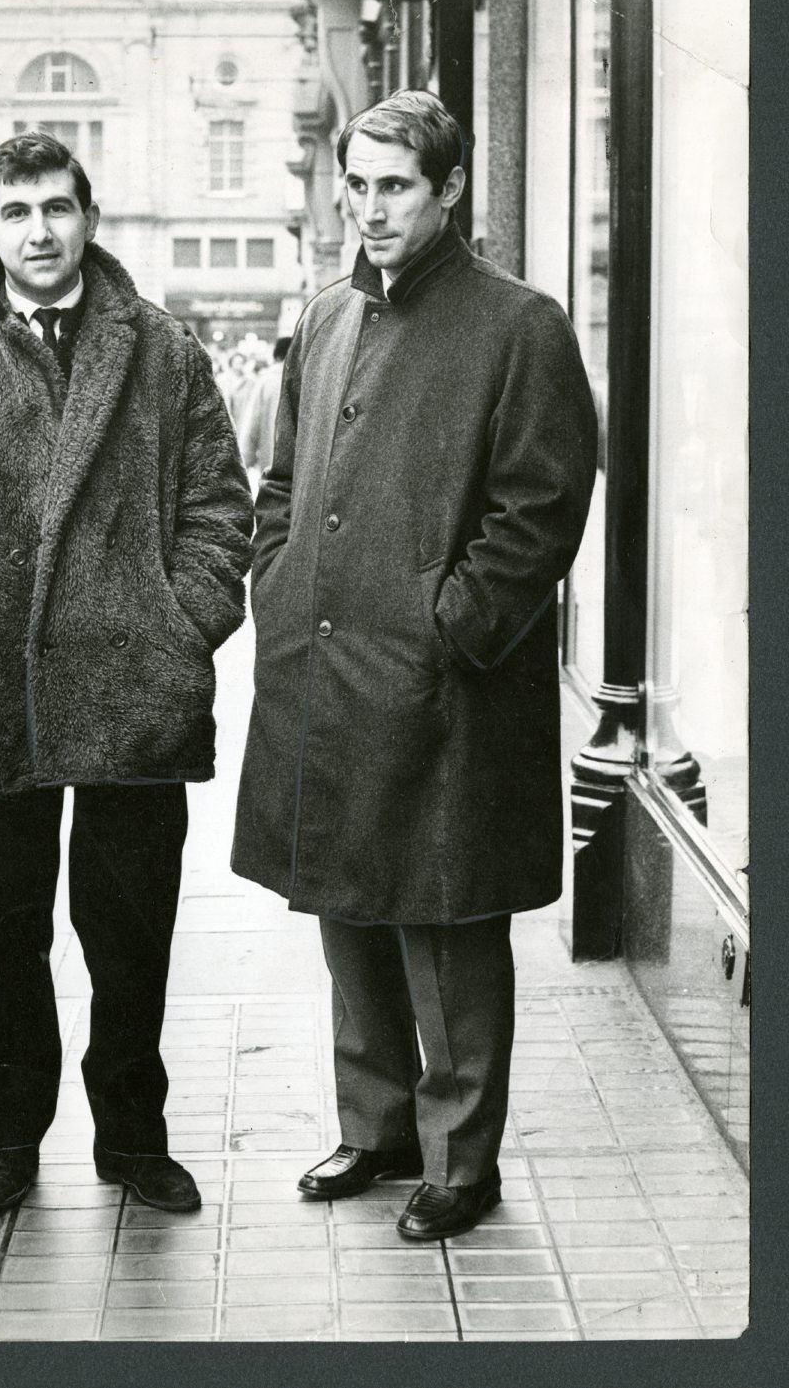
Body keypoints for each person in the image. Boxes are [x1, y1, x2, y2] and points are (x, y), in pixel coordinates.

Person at [232, 90, 598, 1241]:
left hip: (443, 682)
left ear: (447, 193)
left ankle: (460, 1157)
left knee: (446, 916)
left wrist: (455, 624)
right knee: (349, 898)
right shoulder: (330, 312)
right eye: (359, 184)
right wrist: (278, 576)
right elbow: (283, 480)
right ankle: (377, 1124)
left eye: (396, 187)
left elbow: (541, 508)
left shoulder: (519, 324)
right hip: (325, 659)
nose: (372, 207)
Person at [0, 131, 253, 1218]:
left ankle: (133, 1135)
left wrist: (184, 626)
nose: (40, 231)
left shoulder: (165, 354)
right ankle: (10, 1136)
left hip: (137, 686)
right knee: (9, 942)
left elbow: (221, 507)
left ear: (90, 219)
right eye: (18, 212)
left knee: (132, 937)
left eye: (58, 209)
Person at [236, 335, 290, 472]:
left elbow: (251, 424)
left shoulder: (266, 382)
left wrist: (245, 461)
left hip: (271, 468)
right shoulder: (309, 382)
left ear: (276, 357)